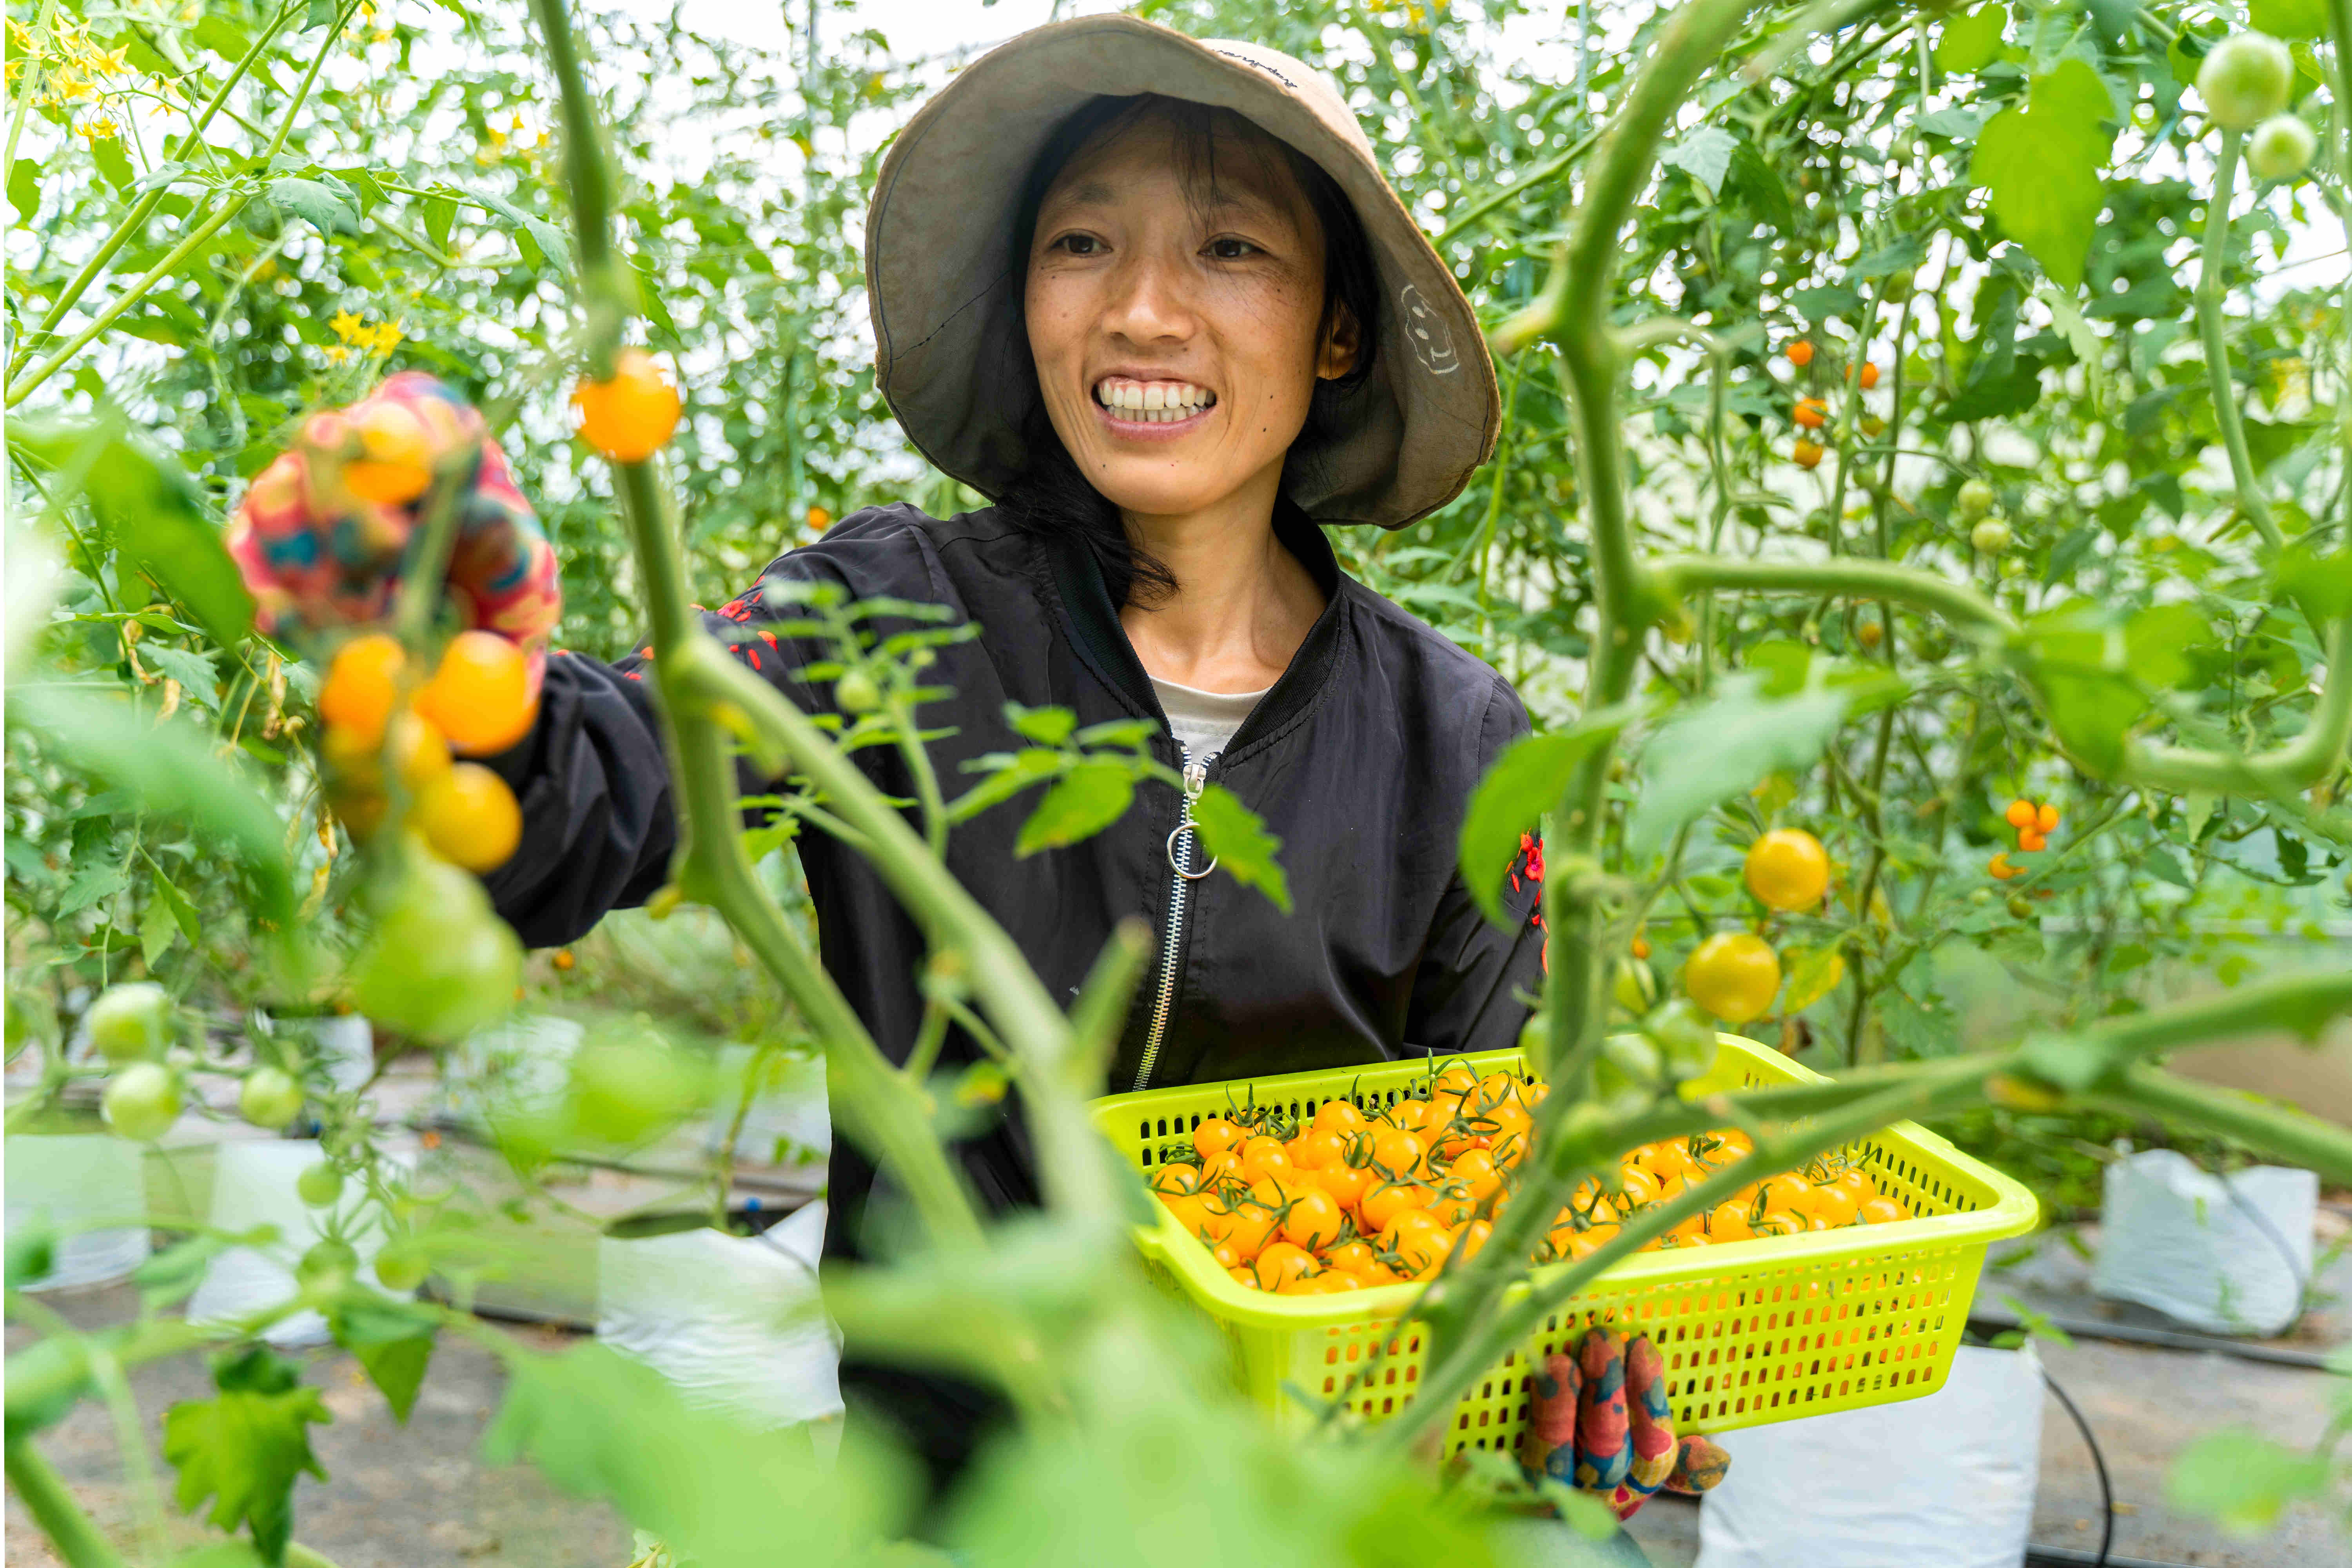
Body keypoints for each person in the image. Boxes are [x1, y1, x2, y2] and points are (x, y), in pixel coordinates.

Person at [227, 16, 1719, 1556]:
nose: (1142, 310)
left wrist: (1567, 1366)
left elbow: (1495, 1171)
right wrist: (459, 663)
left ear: (1337, 332)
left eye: (1229, 249)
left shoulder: (1463, 749)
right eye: (1083, 242)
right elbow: (588, 804)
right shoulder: (887, 617)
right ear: (1028, 299)